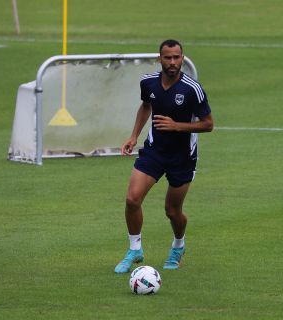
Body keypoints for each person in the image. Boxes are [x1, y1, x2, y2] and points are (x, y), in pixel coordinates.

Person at [114, 39, 213, 274]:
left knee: (172, 211)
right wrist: (134, 135)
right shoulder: (148, 83)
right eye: (167, 57)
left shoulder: (192, 89)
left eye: (176, 57)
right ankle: (135, 249)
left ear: (182, 59)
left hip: (182, 157)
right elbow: (146, 106)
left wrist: (177, 126)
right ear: (160, 59)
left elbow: (208, 124)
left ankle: (178, 245)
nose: (172, 62)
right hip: (154, 151)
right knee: (132, 200)